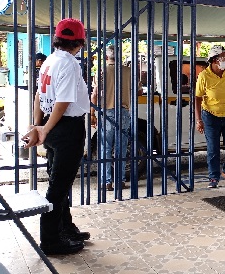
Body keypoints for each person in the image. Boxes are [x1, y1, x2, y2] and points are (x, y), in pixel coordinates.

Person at [23, 18, 91, 255]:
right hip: (66, 128)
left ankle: (66, 228)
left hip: (51, 127)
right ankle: (51, 240)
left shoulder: (49, 61)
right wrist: (45, 128)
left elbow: (38, 97)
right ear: (80, 42)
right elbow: (63, 102)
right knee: (58, 186)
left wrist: (38, 125)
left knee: (58, 181)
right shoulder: (70, 64)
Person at [90, 44, 142, 192]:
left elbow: (94, 95)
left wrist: (92, 114)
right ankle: (120, 181)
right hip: (124, 112)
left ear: (107, 57)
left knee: (105, 148)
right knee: (121, 148)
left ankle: (106, 182)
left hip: (106, 113)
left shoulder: (101, 71)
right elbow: (139, 92)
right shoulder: (129, 71)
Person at [195, 45, 225, 188]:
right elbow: (198, 98)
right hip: (210, 116)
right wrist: (199, 120)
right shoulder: (204, 76)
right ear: (214, 60)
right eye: (223, 57)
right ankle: (213, 177)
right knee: (213, 148)